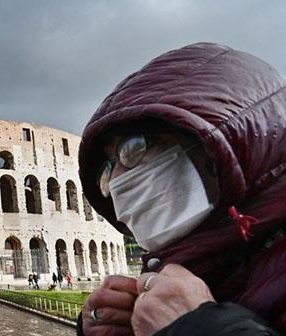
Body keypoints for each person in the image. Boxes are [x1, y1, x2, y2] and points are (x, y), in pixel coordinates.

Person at [76, 42, 286, 335]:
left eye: (135, 147)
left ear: (226, 142)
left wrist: (197, 328)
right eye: (107, 169)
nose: (114, 182)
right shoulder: (199, 267)